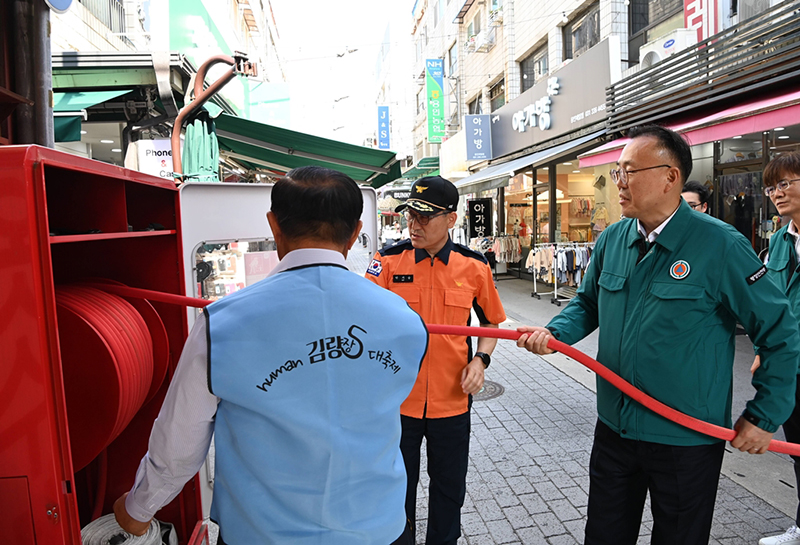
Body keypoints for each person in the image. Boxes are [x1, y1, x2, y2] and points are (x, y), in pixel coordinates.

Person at [113, 166, 429, 545]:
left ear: (273, 225)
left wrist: (138, 510)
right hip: (380, 531)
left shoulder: (222, 324)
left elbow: (179, 445)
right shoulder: (405, 322)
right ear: (356, 232)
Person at [515, 125, 800, 545]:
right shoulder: (613, 238)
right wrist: (554, 332)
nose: (620, 182)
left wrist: (763, 416)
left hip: (685, 436)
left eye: (629, 171)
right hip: (615, 427)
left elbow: (779, 331)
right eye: (617, 172)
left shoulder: (720, 245)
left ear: (670, 177)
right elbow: (588, 302)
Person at [365, 175, 506, 545]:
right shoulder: (387, 261)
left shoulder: (474, 266)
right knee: (397, 490)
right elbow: (363, 318)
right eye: (410, 215)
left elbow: (491, 322)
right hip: (398, 403)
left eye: (425, 217)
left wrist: (480, 362)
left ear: (451, 219)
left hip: (452, 402)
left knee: (448, 491)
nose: (414, 224)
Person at [756, 152, 800, 545]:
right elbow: (773, 304)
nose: (776, 193)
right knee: (798, 451)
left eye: (785, 183)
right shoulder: (780, 241)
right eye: (772, 187)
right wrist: (762, 350)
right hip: (790, 368)